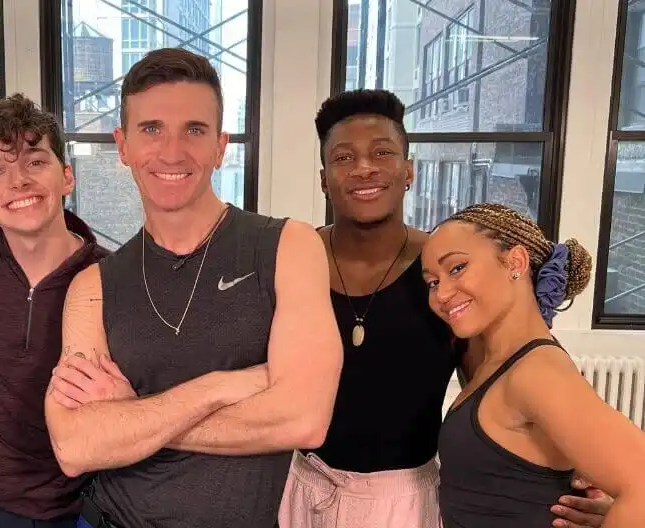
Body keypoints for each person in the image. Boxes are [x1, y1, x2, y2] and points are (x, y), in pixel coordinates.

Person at [278, 88, 614, 528]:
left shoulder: (444, 275)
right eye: (343, 158)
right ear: (324, 178)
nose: (363, 168)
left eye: (382, 153)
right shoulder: (292, 260)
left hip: (403, 501)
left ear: (408, 171)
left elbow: (507, 379)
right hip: (301, 490)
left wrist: (587, 477)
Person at [44, 48, 343, 528]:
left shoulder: (289, 246)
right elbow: (76, 446)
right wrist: (222, 386)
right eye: (151, 129)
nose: (171, 151)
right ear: (122, 145)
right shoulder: (93, 286)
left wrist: (131, 417)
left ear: (221, 146)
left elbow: (304, 419)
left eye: (194, 130)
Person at [0, 93, 109, 528]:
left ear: (66, 176)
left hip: (77, 504)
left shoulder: (110, 277)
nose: (18, 182)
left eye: (34, 162)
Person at [423, 202, 645, 526]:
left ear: (515, 261)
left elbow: (640, 482)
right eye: (432, 282)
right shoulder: (495, 362)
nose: (441, 294)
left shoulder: (536, 371)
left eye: (457, 268)